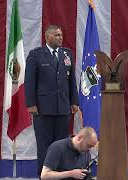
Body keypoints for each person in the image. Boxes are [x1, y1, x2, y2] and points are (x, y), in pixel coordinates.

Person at [24, 25, 79, 175]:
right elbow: (29, 81)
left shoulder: (67, 54)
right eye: (57, 35)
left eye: (61, 35)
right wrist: (31, 104)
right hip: (42, 109)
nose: (60, 38)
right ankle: (44, 176)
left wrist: (74, 101)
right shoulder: (36, 55)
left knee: (62, 146)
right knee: (45, 146)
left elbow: (71, 80)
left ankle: (60, 176)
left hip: (63, 108)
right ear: (47, 37)